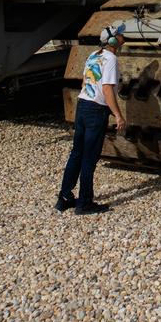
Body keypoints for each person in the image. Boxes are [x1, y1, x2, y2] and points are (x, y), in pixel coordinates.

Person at [56, 23, 127, 215]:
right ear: (113, 40)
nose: (122, 37)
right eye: (120, 35)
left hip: (83, 105)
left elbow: (84, 82)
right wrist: (118, 115)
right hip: (96, 112)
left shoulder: (92, 55)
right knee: (89, 158)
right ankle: (85, 203)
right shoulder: (111, 59)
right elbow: (107, 89)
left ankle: (64, 198)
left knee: (77, 153)